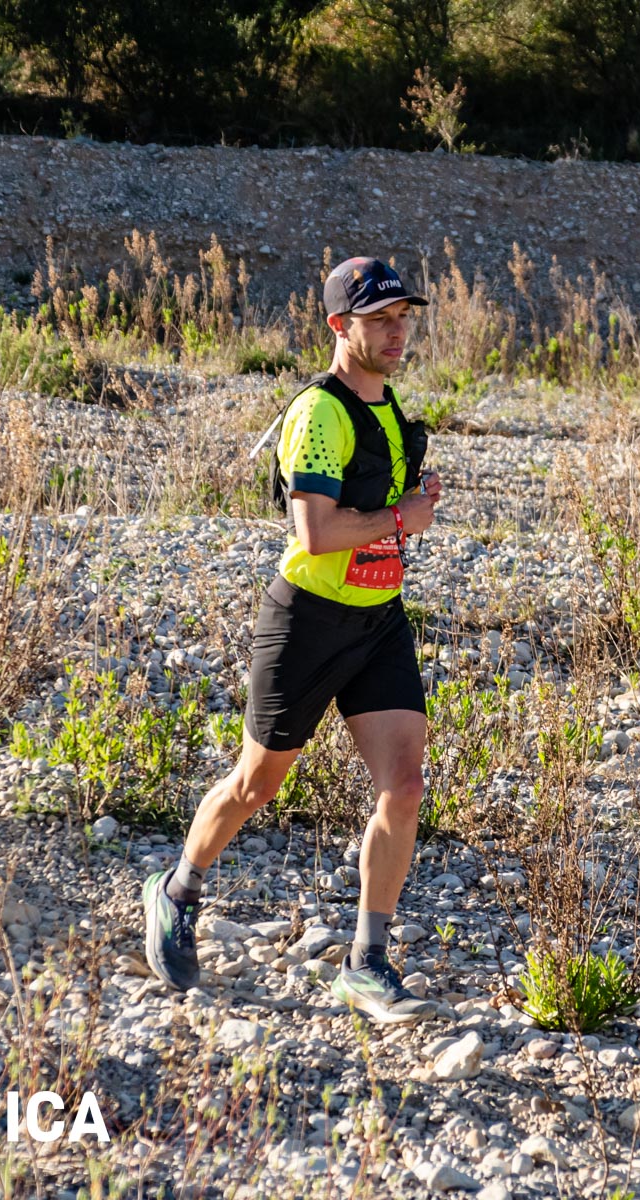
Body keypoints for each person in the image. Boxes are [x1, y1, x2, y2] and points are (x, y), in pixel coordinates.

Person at [144, 256, 444, 1023]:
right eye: (379, 320)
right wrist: (401, 517)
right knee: (256, 785)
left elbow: (378, 510)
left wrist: (410, 504)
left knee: (405, 785)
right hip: (306, 621)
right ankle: (177, 888)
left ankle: (366, 964)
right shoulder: (319, 413)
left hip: (378, 621)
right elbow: (314, 533)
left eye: (403, 317)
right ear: (340, 326)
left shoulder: (387, 406)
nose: (397, 332)